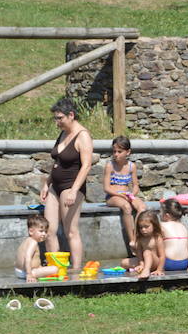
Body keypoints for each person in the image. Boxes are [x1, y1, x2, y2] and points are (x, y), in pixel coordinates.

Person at [40, 98, 94, 271]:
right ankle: (55, 268)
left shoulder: (82, 135)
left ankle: (77, 270)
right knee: (48, 230)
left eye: (60, 118)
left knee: (71, 231)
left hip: (71, 186)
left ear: (71, 115)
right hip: (55, 186)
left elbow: (86, 165)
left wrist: (74, 190)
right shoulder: (63, 132)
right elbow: (58, 162)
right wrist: (46, 183)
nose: (57, 122)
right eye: (55, 118)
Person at [104, 135, 148, 251]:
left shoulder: (131, 166)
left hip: (127, 195)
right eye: (114, 151)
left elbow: (135, 185)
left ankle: (138, 235)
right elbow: (106, 188)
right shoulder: (110, 166)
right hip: (113, 196)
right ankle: (132, 240)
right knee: (126, 207)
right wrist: (120, 195)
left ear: (128, 152)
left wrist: (132, 194)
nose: (116, 154)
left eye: (119, 151)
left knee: (142, 207)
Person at [14, 214, 59, 281]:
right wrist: (29, 274)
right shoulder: (33, 242)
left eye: (45, 231)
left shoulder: (27, 241)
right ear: (31, 231)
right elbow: (27, 257)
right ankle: (31, 274)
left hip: (19, 271)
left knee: (43, 267)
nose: (44, 234)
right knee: (55, 269)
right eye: (41, 231)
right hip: (27, 272)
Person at [121, 210, 164, 279]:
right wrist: (141, 264)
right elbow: (139, 254)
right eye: (141, 227)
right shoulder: (140, 238)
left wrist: (159, 269)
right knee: (124, 262)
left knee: (147, 252)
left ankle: (146, 270)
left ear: (154, 225)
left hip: (155, 263)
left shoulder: (157, 238)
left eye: (146, 227)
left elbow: (162, 256)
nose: (143, 230)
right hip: (144, 261)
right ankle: (142, 268)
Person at [160, 198, 188, 272]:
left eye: (160, 212)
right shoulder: (183, 227)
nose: (159, 214)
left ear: (167, 215)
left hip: (168, 262)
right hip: (184, 263)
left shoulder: (162, 225)